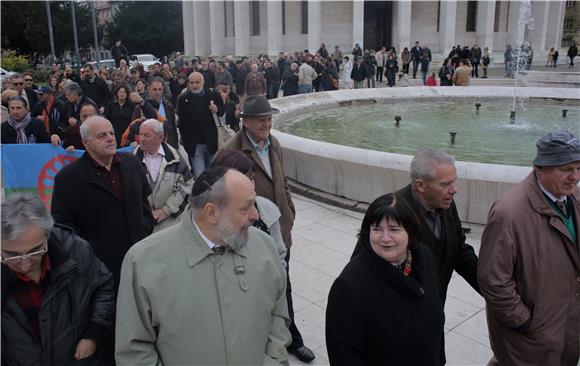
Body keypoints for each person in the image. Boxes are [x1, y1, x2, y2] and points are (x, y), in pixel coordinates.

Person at [115, 167, 291, 365]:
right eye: (245, 207)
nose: (255, 215)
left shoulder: (264, 246)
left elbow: (278, 314)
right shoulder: (143, 262)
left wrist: (275, 360)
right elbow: (134, 351)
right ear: (212, 213)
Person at [224, 95, 316, 362]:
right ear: (247, 122)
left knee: (283, 284)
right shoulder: (231, 150)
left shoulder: (273, 143)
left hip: (279, 229)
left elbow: (282, 179)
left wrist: (289, 212)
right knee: (256, 290)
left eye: (269, 118)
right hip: (251, 233)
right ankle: (262, 340)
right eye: (262, 120)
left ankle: (291, 339)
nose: (267, 123)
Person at [478, 130, 580, 366]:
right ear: (539, 168)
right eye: (566, 169)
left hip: (564, 325)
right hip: (532, 334)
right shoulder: (509, 213)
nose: (574, 177)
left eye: (578, 168)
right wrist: (525, 321)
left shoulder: (572, 199)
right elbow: (493, 280)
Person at [326, 193, 445, 365]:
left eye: (394, 229)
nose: (385, 238)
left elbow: (436, 324)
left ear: (410, 231)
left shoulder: (425, 258)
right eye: (377, 229)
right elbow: (344, 356)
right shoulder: (350, 285)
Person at [1, 193, 115, 365]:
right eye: (12, 255)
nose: (25, 265)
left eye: (35, 251)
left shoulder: (76, 251)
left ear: (47, 235)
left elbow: (104, 287)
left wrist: (93, 333)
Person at [211, 149, 287, 266]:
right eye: (241, 179)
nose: (249, 185)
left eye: (251, 178)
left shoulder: (267, 209)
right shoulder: (211, 216)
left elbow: (279, 254)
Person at [133, 119, 193, 231]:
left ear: (160, 137)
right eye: (140, 135)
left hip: (172, 223)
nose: (142, 139)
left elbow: (187, 187)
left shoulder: (176, 159)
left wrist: (166, 210)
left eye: (147, 135)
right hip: (143, 225)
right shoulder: (132, 161)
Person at [176, 71, 223, 177]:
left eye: (197, 82)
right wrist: (185, 140)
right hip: (194, 143)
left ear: (202, 82)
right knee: (200, 175)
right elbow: (181, 122)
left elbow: (222, 109)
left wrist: (217, 109)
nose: (194, 85)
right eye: (192, 83)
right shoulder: (183, 99)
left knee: (213, 174)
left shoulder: (212, 94)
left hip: (211, 141)